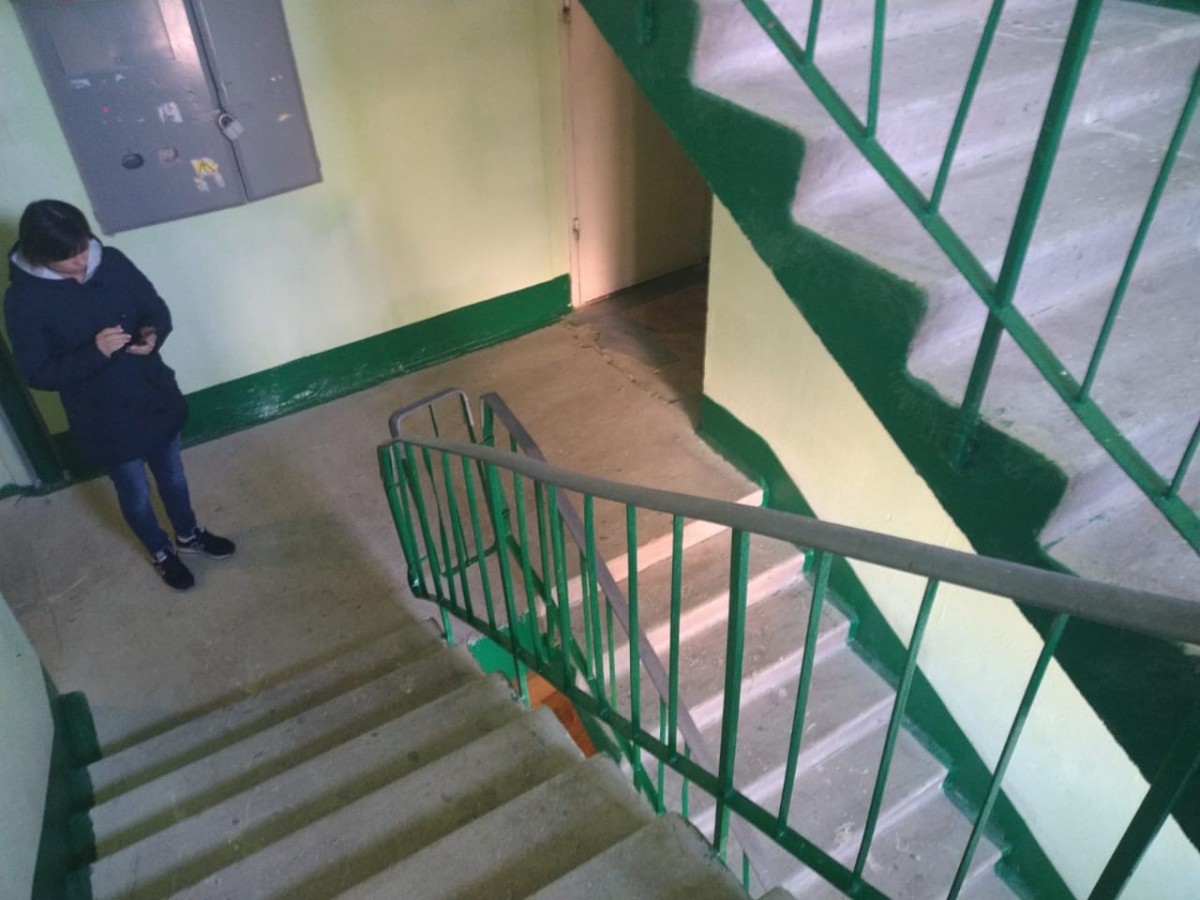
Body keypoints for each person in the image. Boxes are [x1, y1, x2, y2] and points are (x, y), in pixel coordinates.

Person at [4, 199, 234, 591]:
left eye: (82, 247)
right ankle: (160, 551)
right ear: (41, 257)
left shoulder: (110, 261)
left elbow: (154, 308)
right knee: (135, 492)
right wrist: (95, 352)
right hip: (103, 417)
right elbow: (37, 373)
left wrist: (153, 334)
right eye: (68, 258)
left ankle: (188, 534)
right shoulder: (23, 301)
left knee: (173, 476)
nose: (81, 261)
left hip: (152, 393)